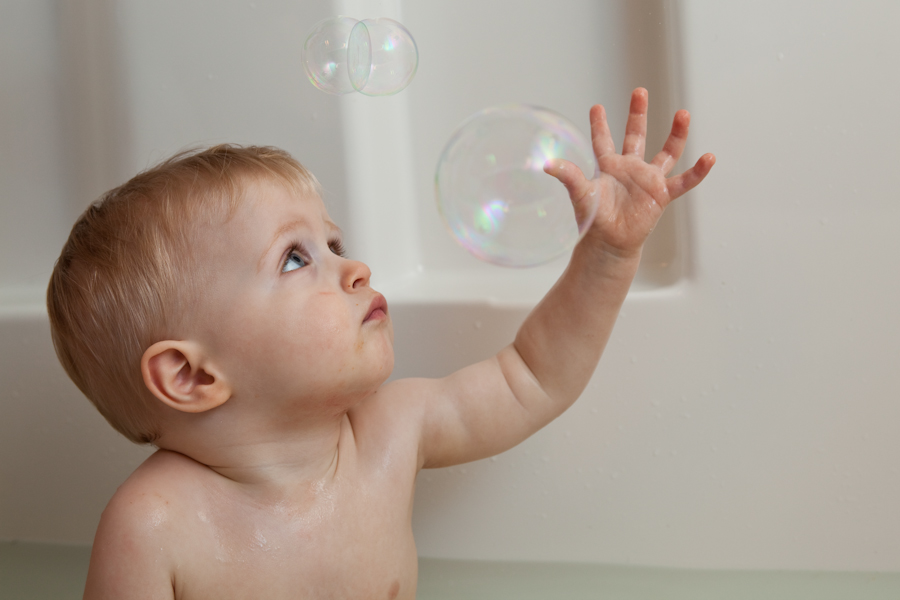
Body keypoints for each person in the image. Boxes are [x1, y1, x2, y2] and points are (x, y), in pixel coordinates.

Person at [47, 88, 714, 599]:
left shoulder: (389, 434)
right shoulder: (154, 526)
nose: (354, 266)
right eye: (294, 258)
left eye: (334, 243)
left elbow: (536, 377)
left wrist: (608, 253)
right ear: (191, 376)